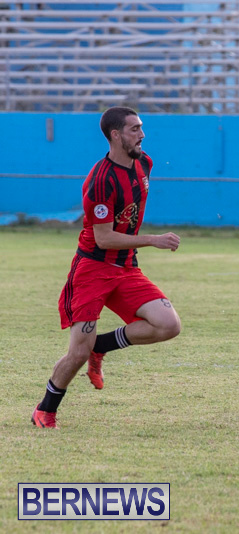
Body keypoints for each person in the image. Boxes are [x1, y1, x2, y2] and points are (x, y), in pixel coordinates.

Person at [31, 107, 182, 429]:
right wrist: (153, 239)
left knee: (168, 325)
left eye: (141, 127)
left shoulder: (144, 163)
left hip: (126, 267)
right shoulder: (101, 180)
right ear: (115, 135)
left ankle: (100, 347)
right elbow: (104, 238)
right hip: (93, 269)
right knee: (77, 353)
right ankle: (45, 410)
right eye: (134, 129)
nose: (142, 134)